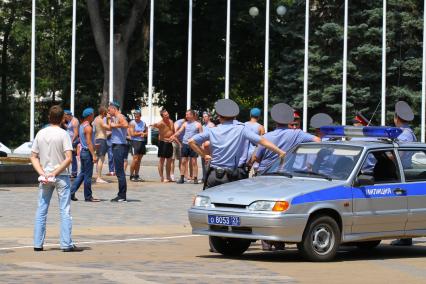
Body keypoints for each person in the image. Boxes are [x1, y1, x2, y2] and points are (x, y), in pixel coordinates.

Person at [188, 99, 286, 188]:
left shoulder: (212, 130)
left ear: (218, 116)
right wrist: (279, 151)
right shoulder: (241, 129)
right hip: (231, 176)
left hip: (213, 174)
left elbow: (191, 141)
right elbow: (262, 140)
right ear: (234, 116)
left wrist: (204, 155)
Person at [30, 105, 81, 252]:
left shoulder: (41, 133)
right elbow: (69, 158)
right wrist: (55, 172)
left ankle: (38, 244)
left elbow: (33, 156)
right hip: (61, 176)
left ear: (49, 117)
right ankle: (66, 243)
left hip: (45, 177)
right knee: (64, 210)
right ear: (62, 119)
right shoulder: (63, 134)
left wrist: (43, 172)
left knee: (41, 209)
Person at [391, 101, 417, 246]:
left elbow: (396, 155)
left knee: (404, 206)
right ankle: (405, 236)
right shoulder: (406, 132)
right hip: (403, 172)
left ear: (397, 118)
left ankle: (405, 237)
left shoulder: (404, 135)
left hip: (401, 173)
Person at [70, 108, 100, 202]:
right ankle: (88, 196)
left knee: (82, 174)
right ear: (90, 115)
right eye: (93, 114)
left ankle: (71, 192)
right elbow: (88, 142)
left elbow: (83, 140)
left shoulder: (82, 126)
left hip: (83, 152)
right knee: (87, 176)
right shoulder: (88, 127)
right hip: (87, 153)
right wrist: (94, 155)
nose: (93, 116)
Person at [105, 101, 129, 202]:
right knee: (118, 171)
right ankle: (121, 194)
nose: (108, 111)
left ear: (114, 109)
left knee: (120, 172)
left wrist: (115, 125)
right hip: (115, 145)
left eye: (110, 109)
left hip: (119, 146)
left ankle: (122, 196)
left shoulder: (120, 116)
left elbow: (125, 124)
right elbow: (110, 126)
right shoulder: (114, 117)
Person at [174, 110, 203, 184]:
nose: (186, 116)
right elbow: (180, 131)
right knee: (183, 161)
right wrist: (173, 136)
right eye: (186, 114)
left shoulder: (198, 124)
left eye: (188, 114)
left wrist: (201, 146)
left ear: (192, 115)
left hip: (194, 144)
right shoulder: (185, 124)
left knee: (194, 162)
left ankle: (195, 178)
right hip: (185, 144)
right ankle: (182, 178)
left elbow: (202, 136)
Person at [152, 109, 175, 182]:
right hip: (163, 142)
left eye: (167, 114)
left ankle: (168, 176)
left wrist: (173, 138)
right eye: (165, 115)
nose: (167, 116)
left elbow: (173, 131)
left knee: (169, 160)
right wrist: (154, 125)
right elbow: (155, 125)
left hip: (169, 142)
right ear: (162, 117)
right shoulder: (161, 123)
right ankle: (162, 177)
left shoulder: (171, 121)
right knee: (162, 160)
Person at [129, 110, 148, 182]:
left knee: (139, 160)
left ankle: (136, 175)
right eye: (135, 116)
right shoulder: (132, 123)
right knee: (135, 159)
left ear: (140, 116)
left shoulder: (143, 123)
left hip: (142, 142)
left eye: (137, 116)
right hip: (135, 142)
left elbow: (146, 132)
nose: (136, 118)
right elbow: (132, 134)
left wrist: (144, 134)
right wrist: (140, 133)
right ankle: (131, 175)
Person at [93, 106, 109, 183]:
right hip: (102, 139)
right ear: (103, 112)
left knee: (98, 158)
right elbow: (109, 128)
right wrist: (109, 119)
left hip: (96, 139)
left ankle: (98, 176)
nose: (106, 114)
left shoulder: (96, 119)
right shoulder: (100, 120)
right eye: (106, 113)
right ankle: (99, 177)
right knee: (101, 159)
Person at [201, 112, 215, 181]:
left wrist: (208, 143)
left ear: (209, 117)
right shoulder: (203, 126)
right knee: (203, 162)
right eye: (203, 117)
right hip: (203, 147)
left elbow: (214, 137)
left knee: (209, 162)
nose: (204, 118)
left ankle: (208, 177)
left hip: (209, 147)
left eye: (206, 116)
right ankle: (204, 177)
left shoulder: (212, 125)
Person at [64, 110, 79, 177]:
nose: (65, 119)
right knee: (69, 156)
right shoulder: (70, 120)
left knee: (72, 156)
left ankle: (74, 172)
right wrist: (64, 124)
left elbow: (76, 133)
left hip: (72, 140)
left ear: (69, 115)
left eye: (65, 117)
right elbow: (69, 129)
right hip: (69, 140)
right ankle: (72, 171)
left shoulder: (74, 121)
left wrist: (71, 141)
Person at [172, 117, 185, 181]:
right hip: (175, 141)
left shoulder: (189, 123)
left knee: (181, 159)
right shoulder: (179, 122)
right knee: (173, 159)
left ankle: (181, 175)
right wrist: (179, 144)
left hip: (181, 141)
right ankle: (172, 175)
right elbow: (175, 133)